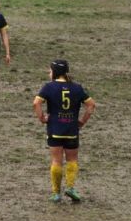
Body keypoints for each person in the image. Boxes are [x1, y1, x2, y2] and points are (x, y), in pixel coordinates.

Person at [33, 59, 95, 203]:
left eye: (50, 70)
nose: (49, 73)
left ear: (55, 72)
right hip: (72, 129)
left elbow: (36, 103)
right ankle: (70, 187)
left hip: (55, 128)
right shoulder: (77, 88)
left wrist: (42, 118)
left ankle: (55, 193)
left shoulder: (48, 87)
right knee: (72, 159)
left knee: (56, 160)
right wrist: (82, 121)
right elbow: (91, 105)